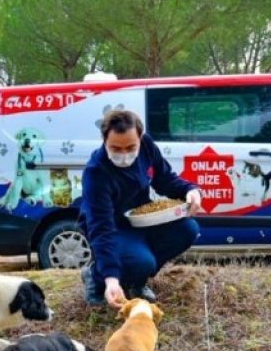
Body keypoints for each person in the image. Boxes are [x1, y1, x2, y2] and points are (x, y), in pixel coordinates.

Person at [79, 109, 203, 307]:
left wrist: (190, 190)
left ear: (140, 138)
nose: (124, 154)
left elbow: (165, 179)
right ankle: (96, 276)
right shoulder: (96, 173)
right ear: (104, 140)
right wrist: (111, 278)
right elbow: (101, 228)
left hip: (140, 217)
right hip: (113, 225)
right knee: (141, 261)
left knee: (188, 229)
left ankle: (137, 281)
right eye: (116, 149)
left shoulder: (147, 146)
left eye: (130, 147)